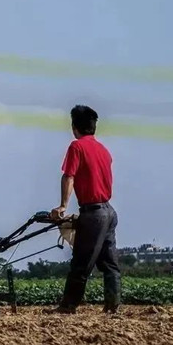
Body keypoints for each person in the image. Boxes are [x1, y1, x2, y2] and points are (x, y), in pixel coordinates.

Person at [49, 105, 121, 314]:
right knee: (109, 264)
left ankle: (68, 306)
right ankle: (112, 305)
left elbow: (69, 176)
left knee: (81, 263)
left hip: (93, 214)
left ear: (74, 126)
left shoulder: (77, 147)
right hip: (109, 212)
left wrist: (63, 206)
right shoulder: (104, 150)